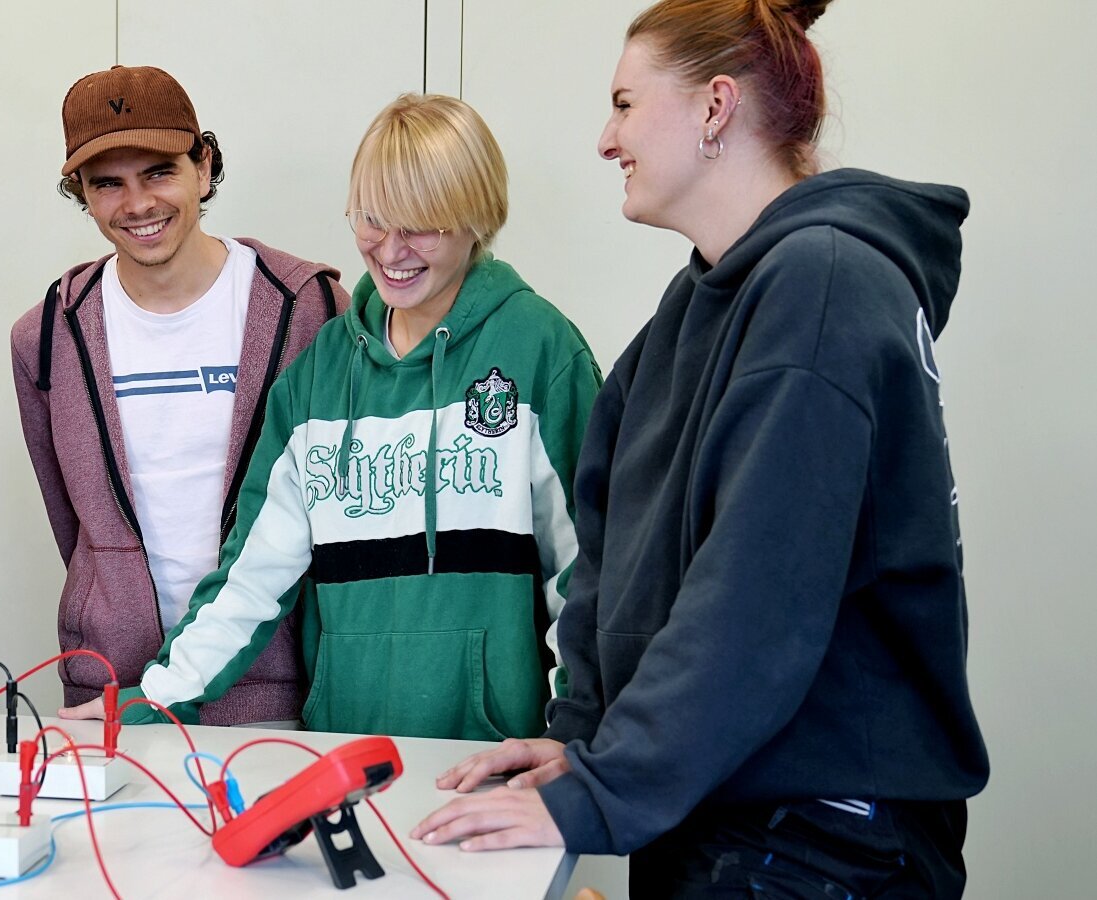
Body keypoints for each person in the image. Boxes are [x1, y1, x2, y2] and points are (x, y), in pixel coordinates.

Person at [412, 1, 989, 896]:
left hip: (820, 839)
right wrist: (583, 740)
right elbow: (615, 551)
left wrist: (606, 790)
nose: (605, 139)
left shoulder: (823, 285)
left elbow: (756, 597)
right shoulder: (693, 313)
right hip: (718, 812)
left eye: (624, 104)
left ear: (715, 106)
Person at [62, 93, 601, 740]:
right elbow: (252, 576)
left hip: (494, 753)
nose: (391, 250)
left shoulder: (539, 351)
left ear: (476, 216)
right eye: (372, 219)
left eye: (422, 225)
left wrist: (574, 733)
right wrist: (155, 698)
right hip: (344, 752)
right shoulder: (317, 375)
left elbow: (587, 575)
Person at [11, 65, 346, 726]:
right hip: (109, 687)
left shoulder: (308, 309)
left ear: (204, 165)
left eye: (158, 172)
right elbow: (72, 521)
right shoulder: (47, 335)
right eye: (107, 183)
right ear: (81, 194)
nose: (137, 204)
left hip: (273, 685)